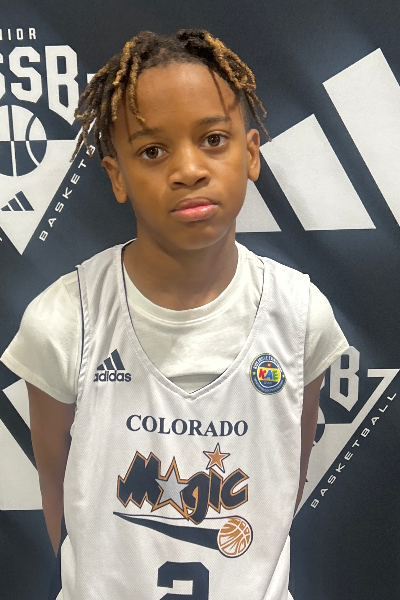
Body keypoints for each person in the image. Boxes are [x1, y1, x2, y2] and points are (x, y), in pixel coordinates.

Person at [1, 28, 349, 600]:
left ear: (251, 154)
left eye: (213, 139)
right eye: (152, 151)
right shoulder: (65, 320)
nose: (188, 169)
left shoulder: (299, 314)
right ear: (117, 176)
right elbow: (60, 497)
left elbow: (285, 477)